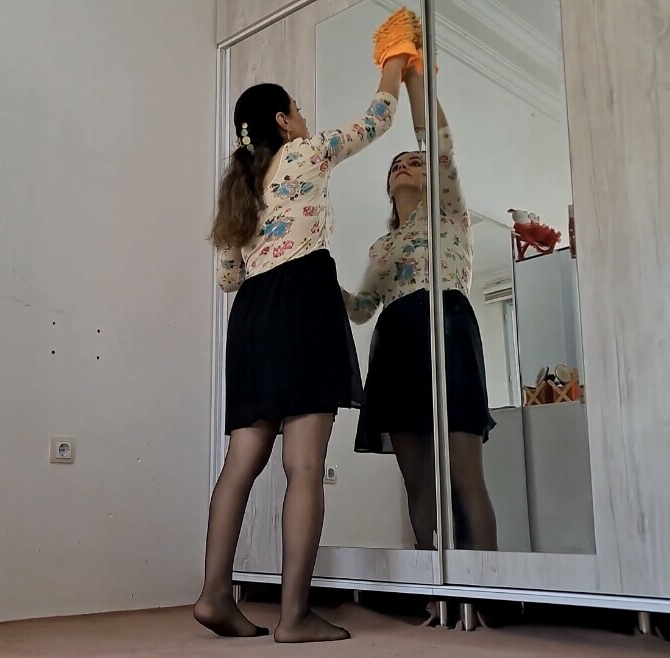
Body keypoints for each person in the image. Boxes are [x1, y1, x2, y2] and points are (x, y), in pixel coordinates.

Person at [193, 58, 406, 644]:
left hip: (252, 318)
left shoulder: (237, 190)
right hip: (302, 305)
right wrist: (393, 66)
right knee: (304, 465)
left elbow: (229, 278)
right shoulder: (305, 154)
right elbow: (376, 120)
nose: (305, 120)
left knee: (241, 461)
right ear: (284, 122)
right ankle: (294, 617)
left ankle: (213, 595)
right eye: (299, 111)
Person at [343, 65, 499, 552]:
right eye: (396, 164)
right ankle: (431, 576)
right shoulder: (381, 247)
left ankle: (486, 582)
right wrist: (321, 278)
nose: (404, 165)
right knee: (417, 481)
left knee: (464, 474)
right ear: (388, 187)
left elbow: (440, 143)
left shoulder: (450, 216)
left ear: (433, 178)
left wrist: (413, 77)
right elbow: (362, 308)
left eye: (415, 161)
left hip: (447, 330)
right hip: (397, 343)